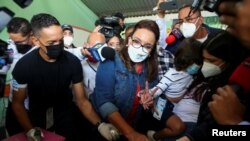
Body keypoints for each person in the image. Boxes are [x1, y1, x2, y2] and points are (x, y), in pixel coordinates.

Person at [11, 13, 118, 141]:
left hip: (65, 114)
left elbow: (81, 101)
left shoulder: (72, 62)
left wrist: (100, 125)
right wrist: (29, 130)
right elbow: (18, 103)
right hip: (36, 115)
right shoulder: (24, 66)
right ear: (35, 40)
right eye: (52, 42)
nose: (58, 45)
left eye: (60, 40)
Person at [92, 19, 160, 141]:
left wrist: (150, 101)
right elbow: (103, 102)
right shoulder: (111, 62)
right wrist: (130, 133)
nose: (140, 48)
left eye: (148, 46)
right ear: (129, 41)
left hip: (136, 125)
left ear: (152, 50)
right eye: (136, 42)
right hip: (111, 130)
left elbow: (153, 98)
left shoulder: (152, 69)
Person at [177, 31, 248, 141]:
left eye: (212, 61)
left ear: (229, 61)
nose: (206, 65)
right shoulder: (210, 78)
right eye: (204, 59)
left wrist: (234, 124)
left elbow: (217, 130)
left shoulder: (236, 90)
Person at [5, 17, 37, 136]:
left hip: (33, 106)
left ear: (31, 35)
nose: (15, 44)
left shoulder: (41, 49)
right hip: (14, 103)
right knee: (13, 134)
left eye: (19, 42)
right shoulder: (10, 48)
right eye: (12, 40)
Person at [156, 0, 221, 54]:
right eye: (181, 21)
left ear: (201, 20)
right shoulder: (176, 43)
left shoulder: (219, 36)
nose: (185, 24)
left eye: (189, 19)